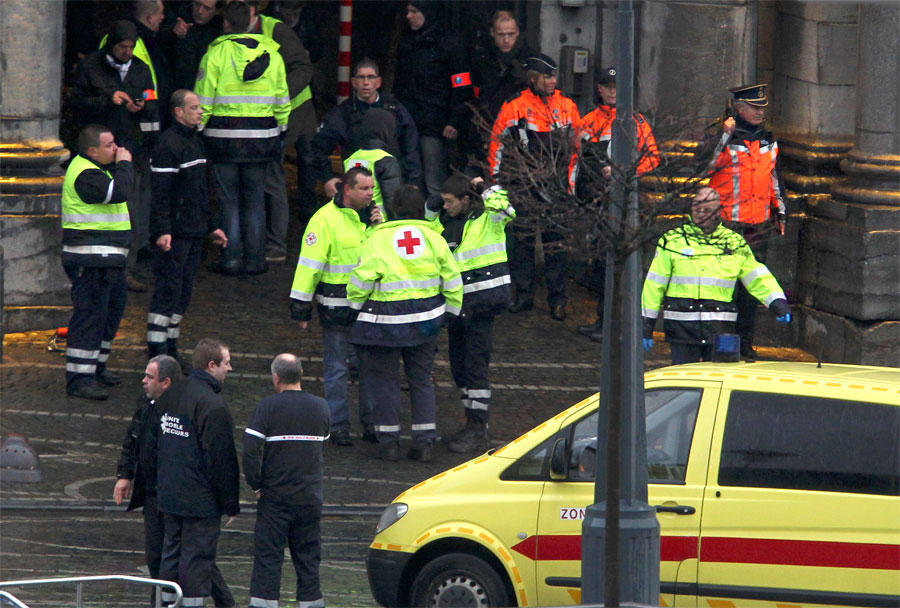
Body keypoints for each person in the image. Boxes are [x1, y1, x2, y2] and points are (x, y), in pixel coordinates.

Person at [347, 186, 463, 462]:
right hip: (425, 323)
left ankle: (389, 443)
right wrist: (451, 314)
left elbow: (362, 279)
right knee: (421, 380)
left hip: (385, 324)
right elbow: (452, 278)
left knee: (384, 381)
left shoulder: (378, 238)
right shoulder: (434, 238)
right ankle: (424, 444)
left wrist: (353, 305)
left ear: (393, 209)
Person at [115, 354, 235, 607]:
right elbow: (133, 439)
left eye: (150, 376)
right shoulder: (147, 405)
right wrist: (125, 475)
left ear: (166, 382)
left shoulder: (184, 406)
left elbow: (210, 454)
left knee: (190, 556)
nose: (144, 380)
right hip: (156, 494)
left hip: (174, 492)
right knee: (162, 556)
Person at [641, 187, 792, 365]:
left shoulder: (733, 242)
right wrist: (646, 324)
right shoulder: (673, 240)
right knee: (684, 380)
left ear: (718, 211)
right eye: (697, 208)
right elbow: (654, 284)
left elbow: (757, 276)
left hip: (720, 328)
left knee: (715, 381)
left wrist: (777, 302)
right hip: (682, 329)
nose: (701, 213)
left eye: (707, 209)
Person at [196, 1, 290, 276]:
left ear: (225, 24)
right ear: (252, 23)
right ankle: (255, 260)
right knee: (255, 200)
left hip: (223, 139)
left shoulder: (214, 55)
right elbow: (282, 100)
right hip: (262, 140)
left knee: (228, 201)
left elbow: (203, 101)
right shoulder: (273, 55)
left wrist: (198, 131)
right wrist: (280, 130)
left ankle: (231, 258)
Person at [290, 167, 382, 447]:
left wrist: (380, 229)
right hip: (337, 308)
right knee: (337, 369)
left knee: (369, 368)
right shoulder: (324, 220)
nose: (370, 193)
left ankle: (372, 425)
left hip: (369, 307)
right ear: (348, 190)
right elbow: (309, 268)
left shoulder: (378, 218)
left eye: (371, 188)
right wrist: (301, 308)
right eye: (364, 189)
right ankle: (339, 425)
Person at [425, 176, 515, 453]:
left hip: (481, 307)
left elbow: (504, 206)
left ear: (466, 200)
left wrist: (482, 187)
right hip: (456, 308)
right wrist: (442, 197)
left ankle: (477, 428)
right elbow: (427, 215)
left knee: (476, 369)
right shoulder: (445, 223)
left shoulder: (489, 221)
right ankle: (470, 424)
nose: (446, 206)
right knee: (459, 369)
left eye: (451, 201)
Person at [70, 19, 160, 293]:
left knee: (129, 213)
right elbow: (77, 103)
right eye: (123, 46)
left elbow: (152, 100)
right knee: (96, 211)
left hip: (129, 148)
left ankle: (126, 269)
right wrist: (108, 100)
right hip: (97, 150)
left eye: (131, 47)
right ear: (112, 44)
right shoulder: (91, 66)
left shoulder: (141, 69)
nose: (127, 51)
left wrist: (141, 107)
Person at [488, 53, 580, 321]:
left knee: (556, 246)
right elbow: (497, 145)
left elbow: (578, 150)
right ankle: (524, 296)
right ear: (533, 78)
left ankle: (558, 300)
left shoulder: (567, 106)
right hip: (523, 186)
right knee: (523, 245)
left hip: (557, 187)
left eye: (554, 75)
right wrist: (496, 184)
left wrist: (572, 186)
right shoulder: (514, 106)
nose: (553, 80)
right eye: (547, 76)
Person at [573, 66, 661, 343]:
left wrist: (623, 171)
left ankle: (614, 324)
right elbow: (576, 162)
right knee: (600, 265)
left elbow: (653, 158)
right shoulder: (588, 122)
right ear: (599, 88)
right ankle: (603, 319)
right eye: (608, 86)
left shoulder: (636, 122)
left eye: (617, 85)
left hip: (625, 205)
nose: (612, 91)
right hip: (598, 203)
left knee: (620, 266)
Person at [704, 83, 787, 361]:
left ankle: (745, 342)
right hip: (726, 225)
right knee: (722, 289)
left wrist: (781, 213)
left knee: (751, 289)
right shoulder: (724, 136)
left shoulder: (768, 140)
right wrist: (723, 137)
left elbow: (774, 180)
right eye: (754, 107)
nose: (759, 112)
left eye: (762, 107)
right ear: (739, 109)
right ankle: (717, 341)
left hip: (757, 225)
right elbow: (703, 168)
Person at [156, 338, 240, 607]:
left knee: (170, 556)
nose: (230, 368)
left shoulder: (171, 395)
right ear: (211, 365)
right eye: (226, 363)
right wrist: (229, 504)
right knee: (197, 562)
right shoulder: (212, 405)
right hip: (199, 501)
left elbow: (153, 444)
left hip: (170, 495)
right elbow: (221, 460)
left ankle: (166, 604)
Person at [147, 89, 228, 364]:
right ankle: (157, 353)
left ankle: (170, 347)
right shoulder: (168, 145)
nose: (200, 111)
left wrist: (212, 226)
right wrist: (162, 230)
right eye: (194, 107)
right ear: (178, 112)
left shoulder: (196, 142)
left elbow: (204, 191)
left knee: (182, 292)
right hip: (176, 234)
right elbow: (160, 194)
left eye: (200, 107)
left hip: (193, 231)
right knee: (168, 291)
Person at [243, 354, 329, 608]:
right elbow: (323, 447)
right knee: (308, 561)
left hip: (275, 500)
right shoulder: (321, 407)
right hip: (310, 499)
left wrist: (257, 485)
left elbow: (249, 452)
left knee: (268, 561)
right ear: (300, 374)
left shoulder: (267, 407)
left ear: (276, 377)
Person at [241, 0, 316, 265]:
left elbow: (304, 67)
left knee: (279, 175)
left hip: (293, 112)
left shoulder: (278, 30)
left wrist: (278, 95)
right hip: (260, 117)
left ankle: (279, 240)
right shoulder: (234, 30)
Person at [61, 124, 134, 400]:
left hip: (106, 258)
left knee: (110, 312)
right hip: (89, 258)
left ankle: (96, 365)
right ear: (92, 150)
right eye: (109, 145)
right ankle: (80, 377)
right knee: (89, 315)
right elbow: (118, 192)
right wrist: (125, 164)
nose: (115, 149)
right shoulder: (85, 173)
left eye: (115, 143)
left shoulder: (100, 170)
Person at [311, 58, 423, 203]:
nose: (365, 82)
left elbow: (411, 147)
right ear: (353, 82)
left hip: (394, 184)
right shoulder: (343, 113)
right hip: (357, 189)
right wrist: (327, 178)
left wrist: (413, 182)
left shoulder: (395, 109)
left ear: (379, 82)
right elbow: (317, 148)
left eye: (370, 77)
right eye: (361, 77)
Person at [393, 1, 473, 197]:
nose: (409, 16)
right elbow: (399, 81)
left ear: (427, 12)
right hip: (408, 120)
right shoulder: (407, 41)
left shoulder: (449, 43)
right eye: (408, 11)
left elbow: (462, 86)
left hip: (435, 124)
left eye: (414, 11)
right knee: (410, 178)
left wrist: (454, 120)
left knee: (434, 180)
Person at [470, 10, 533, 130]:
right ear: (492, 33)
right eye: (501, 35)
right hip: (487, 125)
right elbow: (473, 94)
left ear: (517, 32)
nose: (506, 40)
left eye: (510, 34)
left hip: (519, 127)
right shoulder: (481, 60)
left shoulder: (530, 60)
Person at [342, 109, 403, 219]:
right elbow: (393, 201)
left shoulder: (351, 158)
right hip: (378, 221)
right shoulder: (385, 159)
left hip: (352, 219)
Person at [159, 0, 223, 91]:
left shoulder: (221, 29)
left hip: (206, 89)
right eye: (197, 4)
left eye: (207, 8)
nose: (200, 11)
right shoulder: (178, 14)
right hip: (175, 87)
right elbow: (158, 41)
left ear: (217, 11)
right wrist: (173, 32)